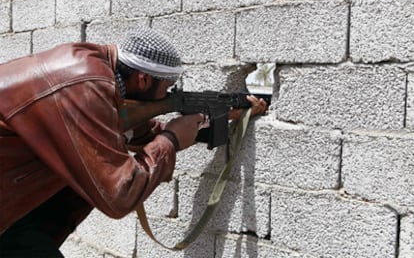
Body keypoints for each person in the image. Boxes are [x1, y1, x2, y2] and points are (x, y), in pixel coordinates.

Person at [0, 26, 267, 257]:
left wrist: (213, 119)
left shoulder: (94, 68)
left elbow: (132, 129)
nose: (168, 95)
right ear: (143, 78)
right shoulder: (85, 86)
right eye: (167, 88)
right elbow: (119, 195)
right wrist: (171, 140)